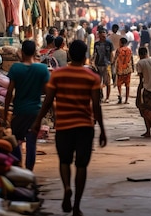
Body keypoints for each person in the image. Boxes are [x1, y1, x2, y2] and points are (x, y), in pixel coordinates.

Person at [31, 40, 107, 216]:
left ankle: (66, 187)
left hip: (64, 125)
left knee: (64, 161)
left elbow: (48, 101)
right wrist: (102, 129)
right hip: (85, 126)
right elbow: (96, 106)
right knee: (81, 166)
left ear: (69, 55)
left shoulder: (58, 75)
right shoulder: (92, 77)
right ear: (86, 56)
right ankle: (77, 206)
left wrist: (38, 120)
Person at [2, 40, 51, 170]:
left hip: (19, 112)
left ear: (22, 52)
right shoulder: (42, 69)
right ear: (35, 53)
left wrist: (5, 112)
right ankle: (29, 172)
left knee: (16, 142)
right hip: (35, 112)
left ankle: (18, 169)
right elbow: (48, 93)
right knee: (31, 144)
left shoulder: (16, 68)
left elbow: (9, 92)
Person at [91, 27, 114, 102]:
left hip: (106, 64)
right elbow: (95, 54)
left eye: (105, 35)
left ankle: (107, 97)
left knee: (107, 82)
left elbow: (111, 53)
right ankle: (100, 96)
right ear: (99, 36)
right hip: (98, 64)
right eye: (102, 36)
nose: (104, 37)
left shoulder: (109, 43)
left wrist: (111, 63)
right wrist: (92, 62)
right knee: (98, 82)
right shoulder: (96, 44)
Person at [115, 37, 134, 104]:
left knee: (119, 84)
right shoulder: (129, 50)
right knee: (127, 85)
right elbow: (131, 60)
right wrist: (133, 68)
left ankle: (120, 95)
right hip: (128, 69)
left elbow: (115, 59)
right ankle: (126, 100)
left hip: (120, 70)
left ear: (121, 43)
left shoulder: (118, 50)